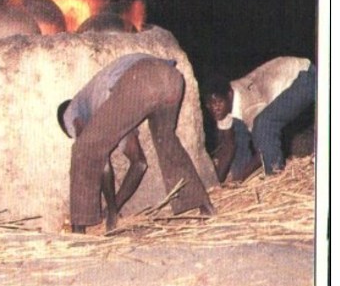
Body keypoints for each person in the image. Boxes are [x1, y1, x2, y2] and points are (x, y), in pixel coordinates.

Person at [57, 54, 215, 234]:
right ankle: (204, 206)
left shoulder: (72, 109)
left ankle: (78, 231)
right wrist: (114, 205)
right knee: (167, 142)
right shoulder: (110, 107)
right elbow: (139, 163)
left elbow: (93, 153)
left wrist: (112, 210)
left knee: (83, 149)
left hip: (141, 79)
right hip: (172, 79)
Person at [201, 57, 316, 182]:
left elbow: (262, 149)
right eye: (209, 105)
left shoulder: (249, 106)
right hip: (277, 80)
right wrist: (216, 184)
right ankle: (243, 177)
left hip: (305, 76)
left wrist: (238, 180)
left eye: (217, 103)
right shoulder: (223, 102)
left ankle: (275, 178)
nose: (214, 108)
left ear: (229, 95)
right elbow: (228, 145)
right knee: (237, 126)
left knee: (264, 125)